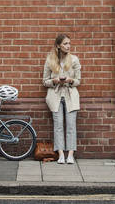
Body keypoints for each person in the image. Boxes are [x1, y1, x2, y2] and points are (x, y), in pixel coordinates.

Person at [42, 34, 81, 164]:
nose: (68, 46)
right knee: (58, 126)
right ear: (58, 45)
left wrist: (70, 80)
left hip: (71, 96)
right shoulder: (50, 60)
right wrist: (54, 81)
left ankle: (70, 154)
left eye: (69, 43)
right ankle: (60, 154)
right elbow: (44, 81)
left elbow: (78, 81)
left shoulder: (74, 60)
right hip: (55, 96)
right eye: (65, 43)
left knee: (71, 126)